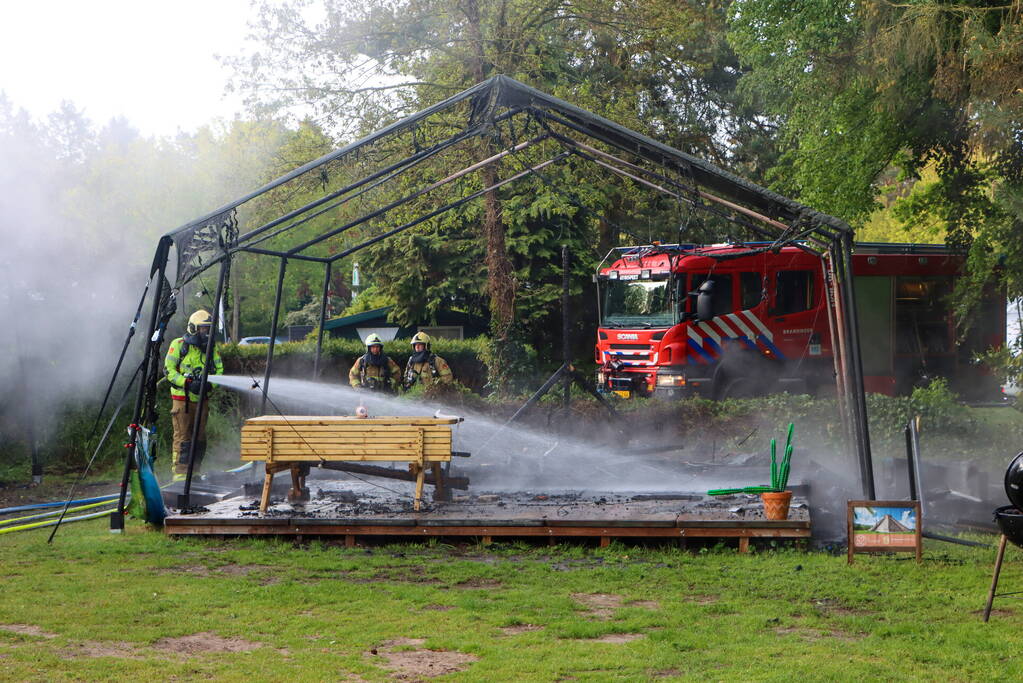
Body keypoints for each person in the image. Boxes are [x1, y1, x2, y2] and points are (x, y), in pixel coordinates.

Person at [164, 309, 223, 482]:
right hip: (183, 401)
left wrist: (209, 385)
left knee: (200, 438)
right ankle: (181, 475)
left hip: (202, 401)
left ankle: (195, 473)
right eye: (203, 328)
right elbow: (168, 370)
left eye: (208, 329)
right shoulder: (178, 345)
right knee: (183, 438)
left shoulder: (211, 348)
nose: (206, 332)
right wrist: (187, 383)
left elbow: (219, 370)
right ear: (193, 328)